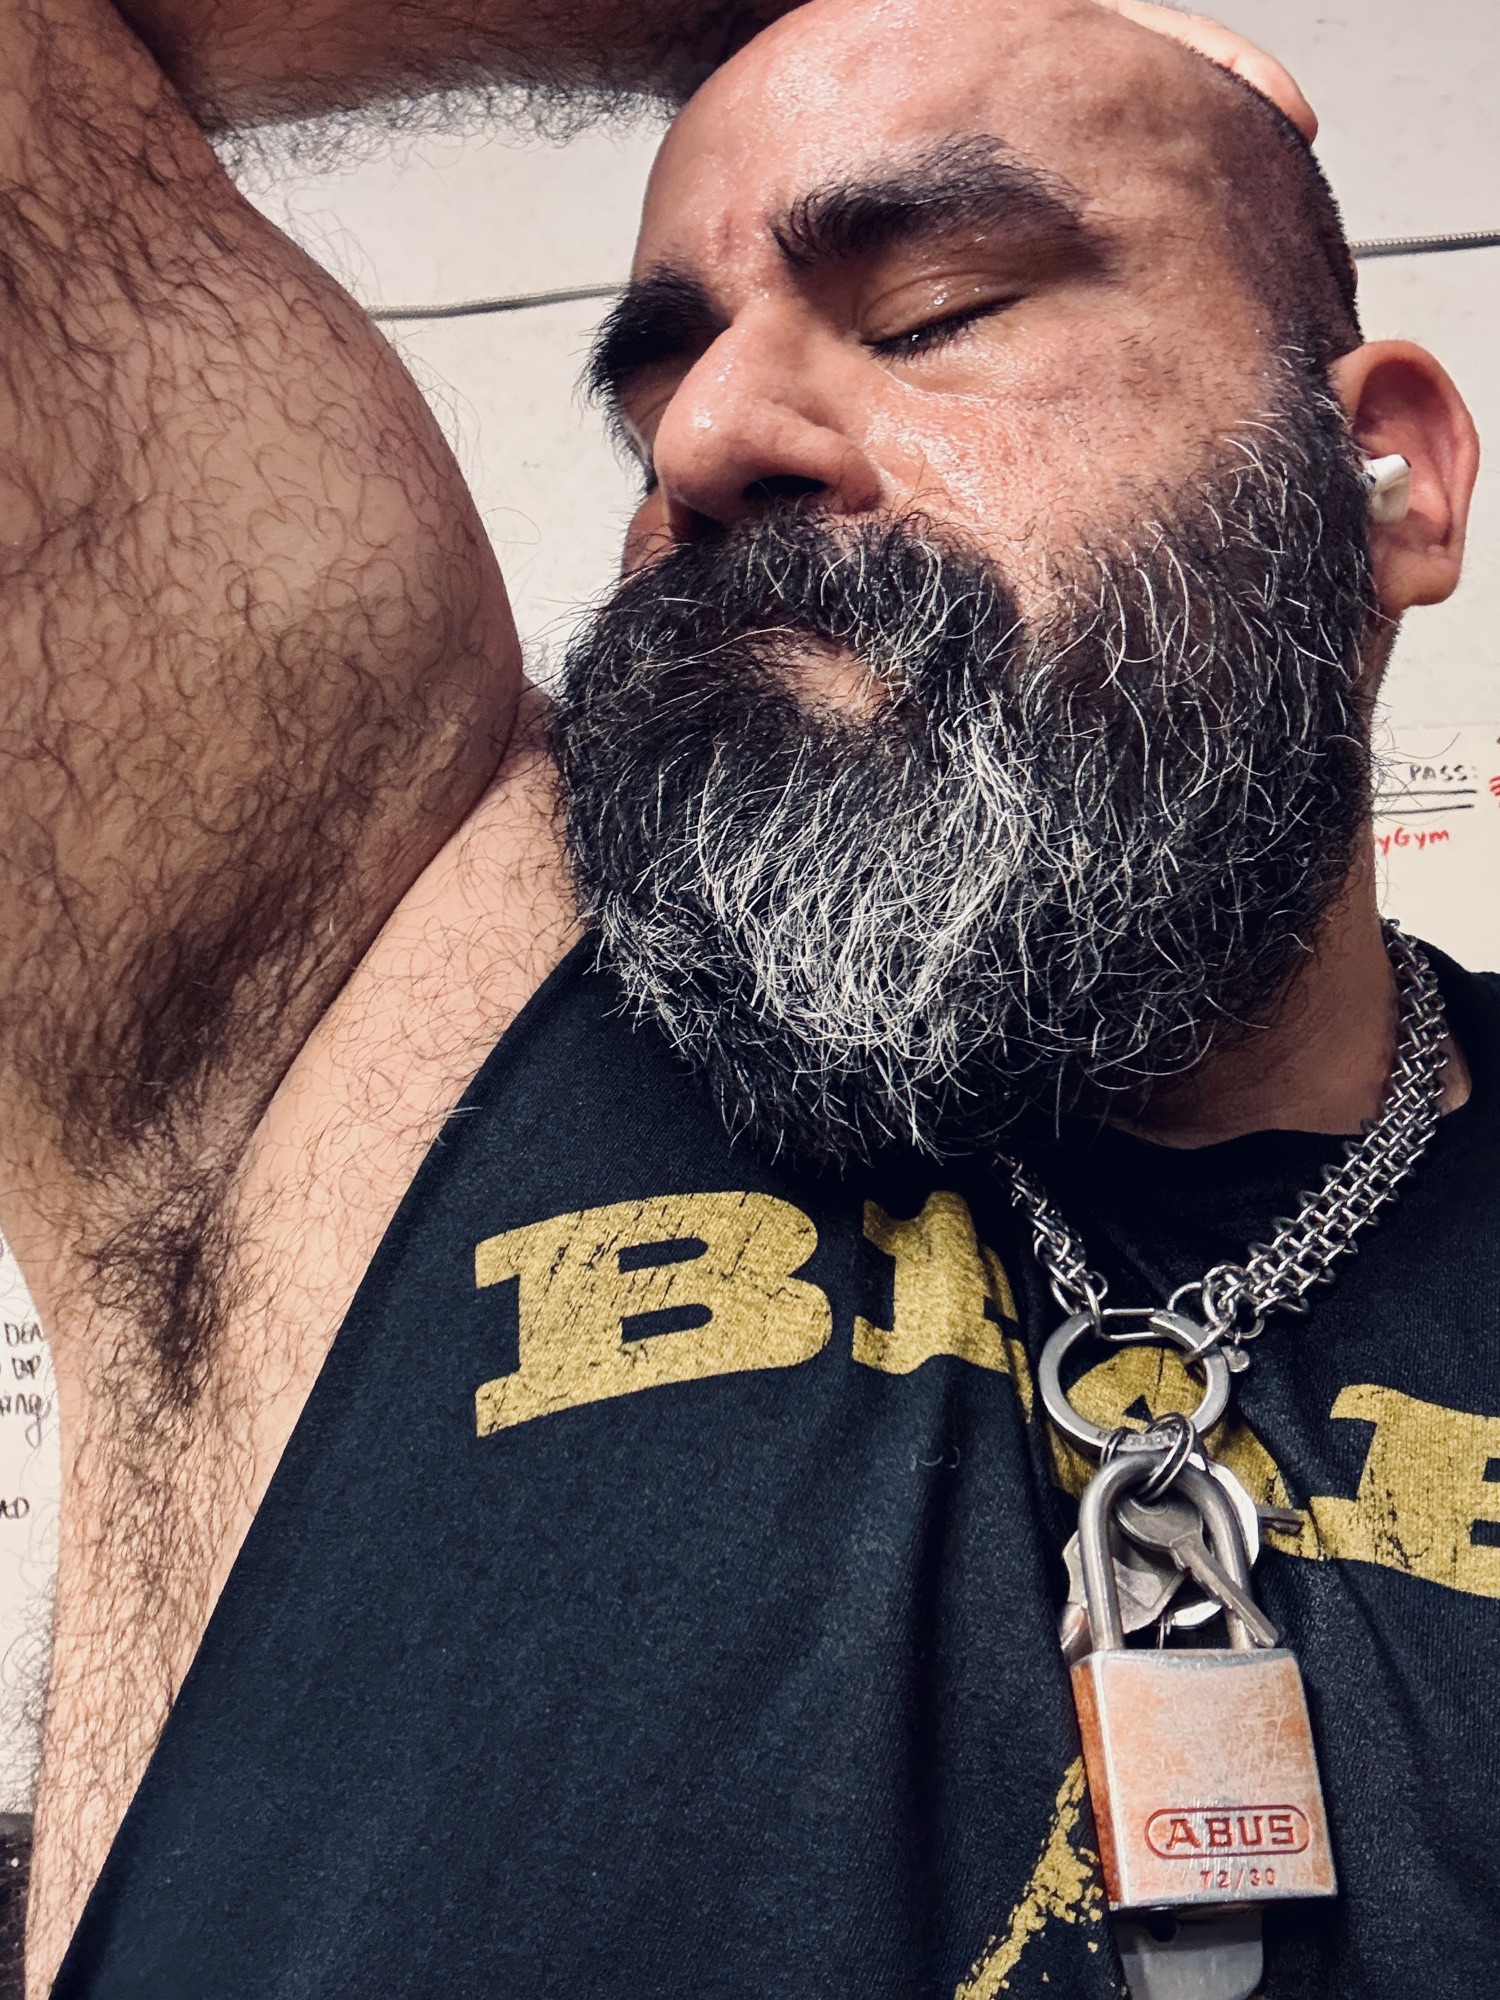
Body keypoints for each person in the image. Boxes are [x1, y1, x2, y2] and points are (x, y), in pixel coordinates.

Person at [0, 0, 1488, 1990]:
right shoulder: (373, 989)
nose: (702, 441)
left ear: (1391, 476)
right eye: (658, 390)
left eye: (934, 312)